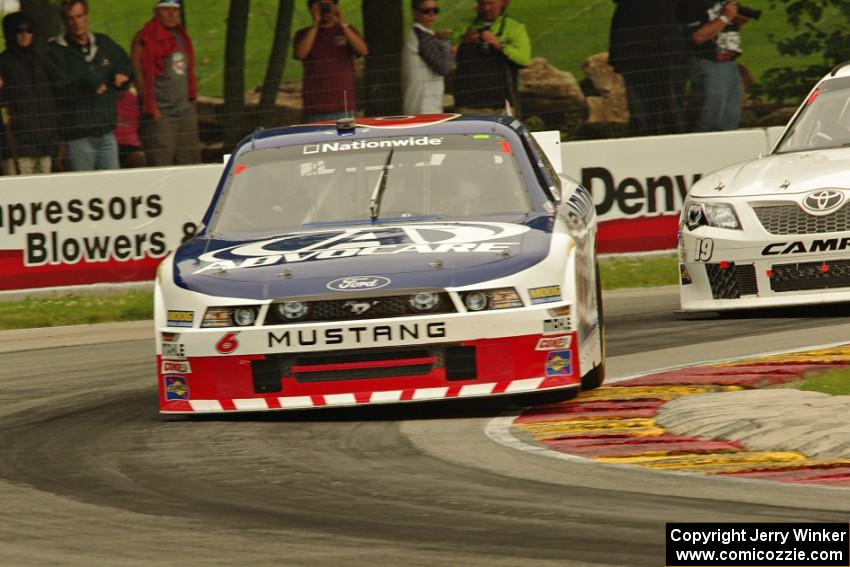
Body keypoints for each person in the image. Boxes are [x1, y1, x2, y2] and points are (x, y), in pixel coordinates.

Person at [47, 0, 133, 171]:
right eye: (70, 18)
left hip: (106, 133)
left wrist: (123, 74)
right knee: (84, 189)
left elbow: (126, 63)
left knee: (112, 187)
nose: (76, 22)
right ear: (64, 22)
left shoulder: (103, 42)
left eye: (79, 16)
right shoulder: (56, 51)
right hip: (78, 137)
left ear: (87, 16)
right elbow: (60, 87)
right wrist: (88, 81)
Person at [132, 0, 201, 166]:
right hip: (162, 113)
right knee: (161, 163)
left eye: (175, 10)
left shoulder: (182, 36)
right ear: (157, 11)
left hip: (185, 110)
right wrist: (151, 106)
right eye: (166, 10)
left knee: (190, 161)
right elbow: (137, 72)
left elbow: (188, 70)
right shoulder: (145, 37)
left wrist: (191, 101)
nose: (171, 14)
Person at [608, 1, 688, 136]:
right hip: (636, 47)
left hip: (663, 47)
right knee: (643, 112)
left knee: (671, 108)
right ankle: (646, 149)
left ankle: (677, 147)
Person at [678, 0, 751, 132]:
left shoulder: (722, 3)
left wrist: (735, 20)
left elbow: (724, 30)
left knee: (730, 117)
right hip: (709, 62)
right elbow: (698, 37)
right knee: (710, 118)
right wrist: (725, 17)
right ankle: (699, 148)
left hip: (729, 62)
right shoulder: (691, 4)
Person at [0, 11, 58, 174]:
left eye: (28, 30)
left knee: (45, 195)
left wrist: (53, 137)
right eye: (19, 31)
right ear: (11, 34)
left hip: (45, 144)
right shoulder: (3, 63)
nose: (24, 35)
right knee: (20, 196)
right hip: (17, 147)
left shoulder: (41, 62)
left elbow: (52, 98)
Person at [293, 0, 368, 123]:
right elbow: (302, 54)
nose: (325, 10)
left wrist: (342, 23)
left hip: (343, 106)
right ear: (312, 9)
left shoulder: (346, 31)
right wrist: (315, 24)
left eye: (328, 6)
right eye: (321, 6)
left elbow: (363, 50)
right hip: (314, 108)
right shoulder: (303, 34)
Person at [453, 0, 531, 113]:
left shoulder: (514, 27)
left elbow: (524, 59)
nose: (486, 8)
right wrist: (464, 41)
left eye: (491, 3)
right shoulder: (464, 26)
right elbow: (448, 54)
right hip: (467, 103)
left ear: (503, 3)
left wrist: (500, 45)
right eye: (482, 4)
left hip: (501, 104)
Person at [401, 0, 452, 115]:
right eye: (426, 11)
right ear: (414, 12)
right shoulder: (421, 36)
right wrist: (446, 44)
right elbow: (443, 68)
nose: (431, 14)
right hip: (423, 106)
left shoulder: (425, 35)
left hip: (427, 104)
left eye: (435, 10)